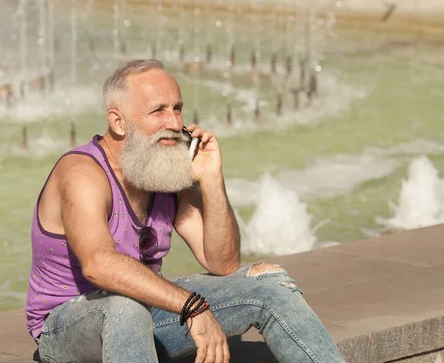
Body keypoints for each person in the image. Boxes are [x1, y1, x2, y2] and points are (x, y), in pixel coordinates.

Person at [25, 59, 345, 363]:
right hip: (68, 330)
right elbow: (99, 265)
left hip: (147, 317)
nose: (175, 124)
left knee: (270, 284)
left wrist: (210, 179)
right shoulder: (82, 172)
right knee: (125, 308)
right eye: (158, 111)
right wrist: (190, 306)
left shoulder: (164, 170)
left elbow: (222, 262)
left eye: (177, 108)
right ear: (118, 121)